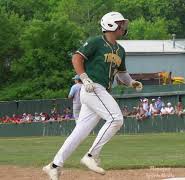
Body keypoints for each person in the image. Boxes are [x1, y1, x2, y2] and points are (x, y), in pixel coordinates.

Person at [43, 12, 143, 180]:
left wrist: (132, 82)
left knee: (79, 132)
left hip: (101, 92)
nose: (123, 26)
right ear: (111, 25)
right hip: (93, 88)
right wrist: (84, 78)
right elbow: (76, 58)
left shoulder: (121, 50)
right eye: (120, 23)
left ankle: (54, 166)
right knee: (116, 119)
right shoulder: (97, 41)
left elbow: (122, 75)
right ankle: (91, 156)